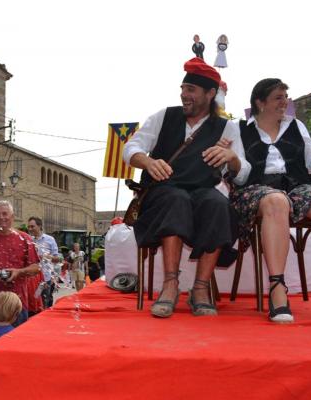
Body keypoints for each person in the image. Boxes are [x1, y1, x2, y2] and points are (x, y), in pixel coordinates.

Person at [123, 57, 248, 318]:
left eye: (191, 89)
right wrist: (147, 161)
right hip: (162, 193)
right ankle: (170, 284)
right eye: (183, 89)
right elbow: (130, 148)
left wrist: (232, 158)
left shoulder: (226, 127)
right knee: (175, 199)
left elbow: (243, 172)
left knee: (218, 205)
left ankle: (200, 288)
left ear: (210, 93)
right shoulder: (164, 116)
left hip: (202, 192)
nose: (184, 95)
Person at [228, 78, 311, 324]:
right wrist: (232, 160)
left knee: (287, 199)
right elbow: (241, 173)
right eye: (279, 97)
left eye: (285, 97)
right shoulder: (239, 129)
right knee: (276, 201)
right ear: (260, 102)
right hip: (253, 189)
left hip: (297, 188)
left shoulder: (296, 126)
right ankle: (277, 289)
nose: (285, 102)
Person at [27, 217, 59, 308]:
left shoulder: (50, 239)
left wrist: (46, 257)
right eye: (29, 227)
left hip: (45, 278)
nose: (30, 229)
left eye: (32, 226)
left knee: (45, 303)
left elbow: (57, 259)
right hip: (31, 278)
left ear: (39, 226)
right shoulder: (28, 240)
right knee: (33, 303)